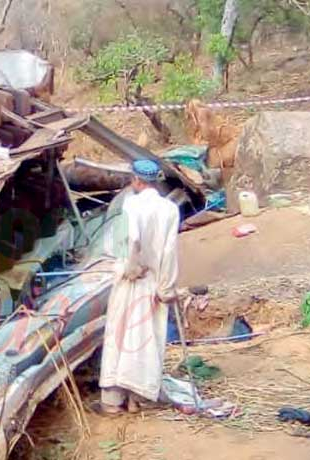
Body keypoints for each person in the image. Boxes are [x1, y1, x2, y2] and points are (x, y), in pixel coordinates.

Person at [96, 159, 180, 415]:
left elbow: (130, 242)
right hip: (153, 283)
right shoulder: (170, 209)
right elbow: (169, 252)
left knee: (120, 339)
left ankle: (112, 402)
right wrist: (166, 289)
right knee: (145, 340)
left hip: (130, 281)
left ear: (136, 180)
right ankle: (137, 400)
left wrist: (129, 270)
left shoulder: (130, 205)